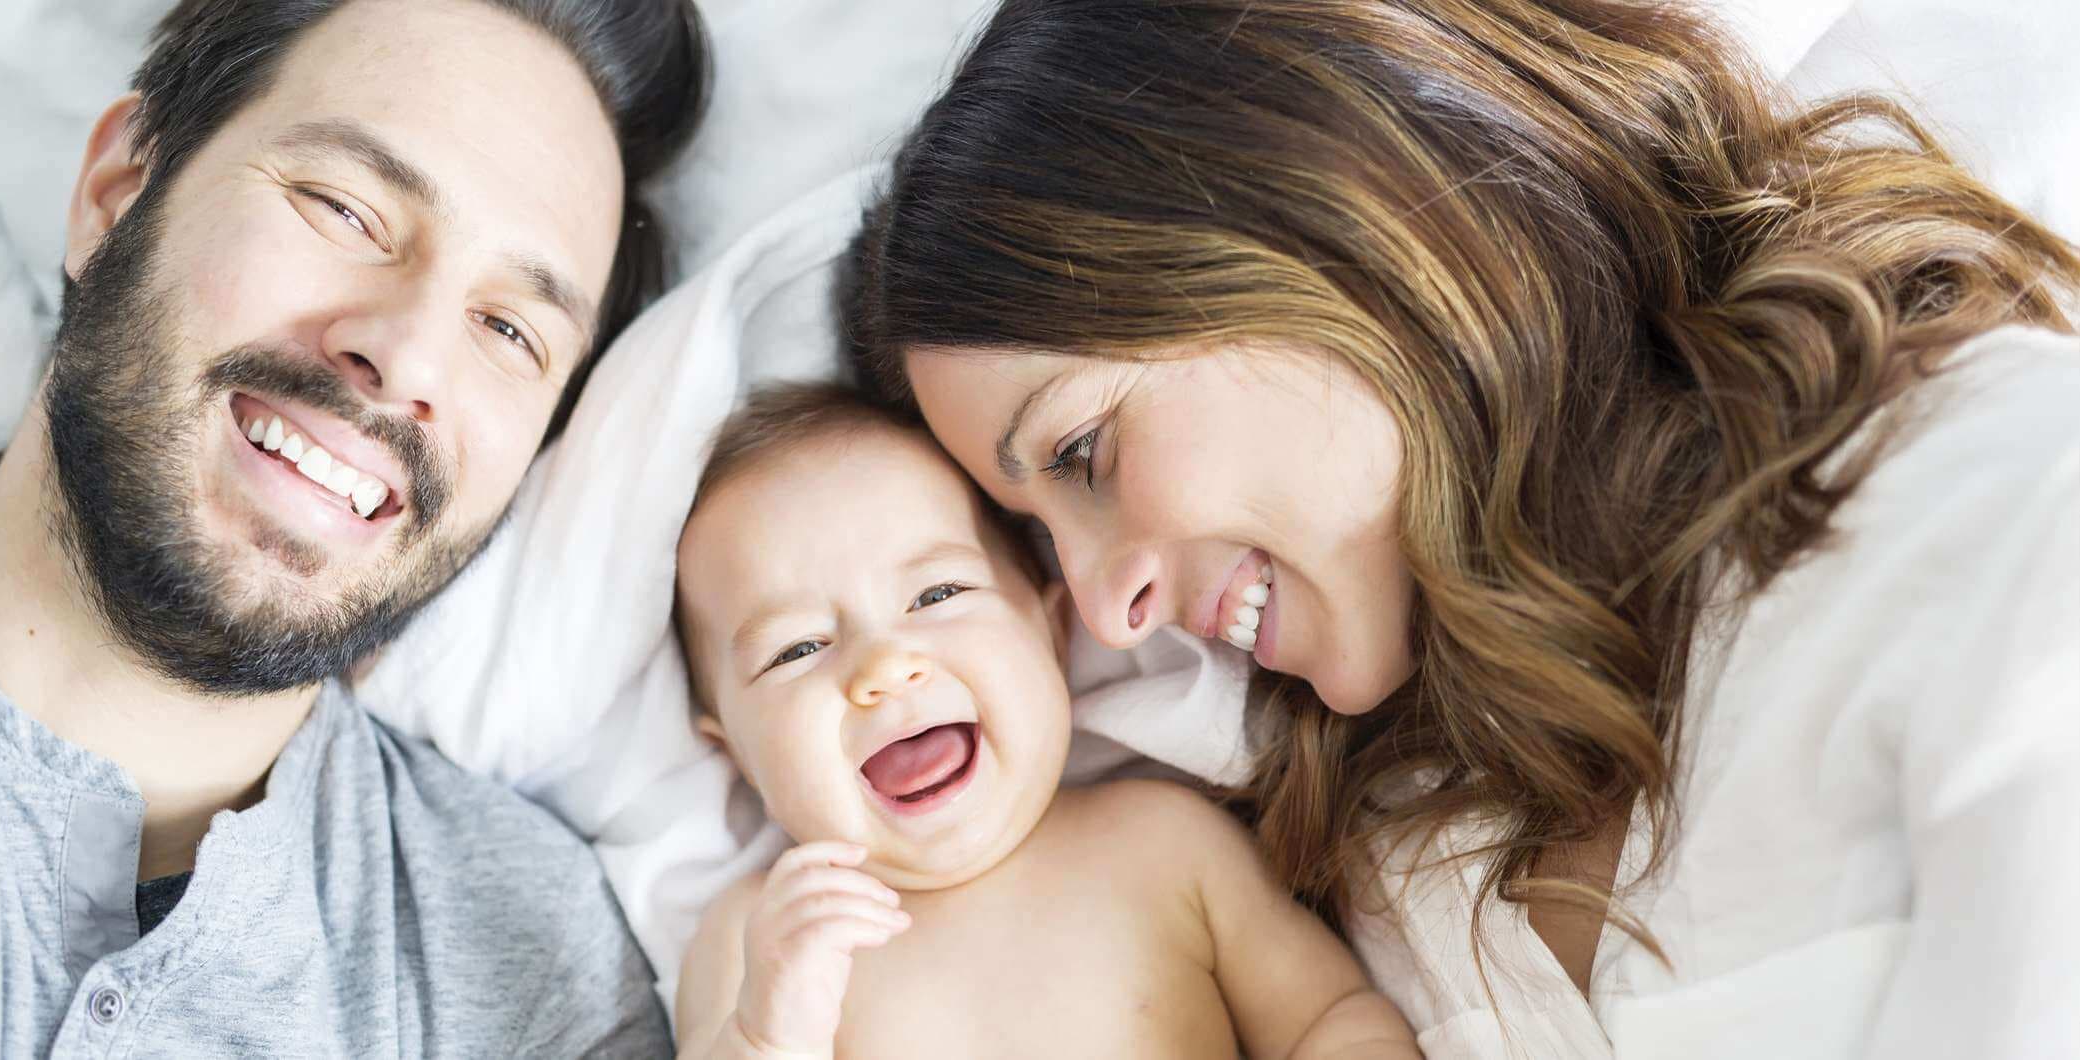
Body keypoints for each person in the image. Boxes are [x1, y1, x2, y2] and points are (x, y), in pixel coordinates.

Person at [843, 0, 2080, 1054]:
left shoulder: (1995, 509)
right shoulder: (1405, 855)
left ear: (1319, 211)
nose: (1108, 612)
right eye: (1038, 536)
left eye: (1082, 454)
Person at [0, 0, 704, 1052]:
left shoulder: (543, 991)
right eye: (346, 210)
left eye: (507, 330)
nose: (406, 356)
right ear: (120, 190)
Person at [670, 384, 1420, 1059]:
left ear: (1051, 634)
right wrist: (766, 1036)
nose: (883, 668)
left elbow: (1329, 1017)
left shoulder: (1163, 841)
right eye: (797, 649)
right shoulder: (758, 938)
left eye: (936, 595)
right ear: (733, 752)